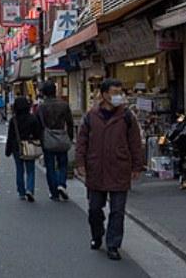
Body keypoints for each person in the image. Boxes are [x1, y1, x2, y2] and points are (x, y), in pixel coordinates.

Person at [75, 78, 143, 261]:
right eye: (115, 93)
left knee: (117, 211)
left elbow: (135, 143)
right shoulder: (91, 116)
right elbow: (82, 142)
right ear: (104, 95)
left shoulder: (127, 116)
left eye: (120, 93)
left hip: (119, 168)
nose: (119, 97)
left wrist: (138, 166)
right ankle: (97, 235)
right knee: (94, 209)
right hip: (96, 168)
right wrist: (80, 163)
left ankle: (113, 244)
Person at [36, 81, 74, 201]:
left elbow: (38, 125)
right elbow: (70, 122)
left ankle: (54, 192)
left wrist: (39, 139)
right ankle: (61, 184)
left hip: (47, 138)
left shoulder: (41, 107)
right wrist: (70, 137)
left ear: (43, 93)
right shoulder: (64, 104)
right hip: (61, 136)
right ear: (55, 90)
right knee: (63, 163)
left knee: (50, 166)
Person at [6, 96, 41, 202]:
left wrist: (8, 150)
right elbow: (37, 134)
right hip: (29, 146)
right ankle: (30, 189)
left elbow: (10, 135)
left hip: (17, 147)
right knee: (30, 170)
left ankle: (21, 191)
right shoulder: (32, 118)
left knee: (19, 169)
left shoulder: (14, 120)